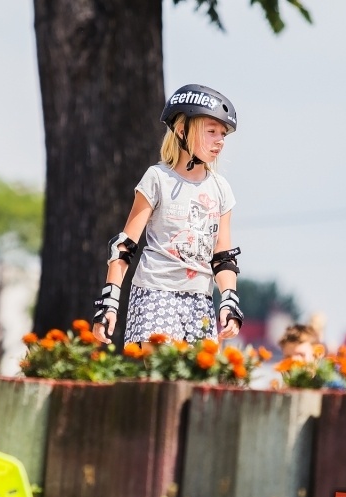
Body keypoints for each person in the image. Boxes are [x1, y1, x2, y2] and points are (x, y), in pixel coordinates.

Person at [92, 84, 244, 346]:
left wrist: (229, 301)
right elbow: (123, 247)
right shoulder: (158, 179)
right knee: (162, 370)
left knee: (194, 380)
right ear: (182, 131)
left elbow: (223, 258)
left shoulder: (221, 190)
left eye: (223, 134)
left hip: (200, 298)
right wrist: (109, 302)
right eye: (211, 131)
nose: (220, 140)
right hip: (155, 291)